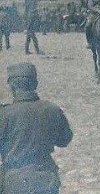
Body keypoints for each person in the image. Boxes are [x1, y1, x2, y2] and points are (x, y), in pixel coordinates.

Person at [0, 63, 73, 194]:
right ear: (35, 84)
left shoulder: (4, 114)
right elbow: (65, 140)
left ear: (12, 86)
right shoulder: (52, 110)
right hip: (45, 178)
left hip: (14, 182)